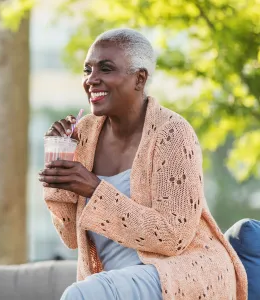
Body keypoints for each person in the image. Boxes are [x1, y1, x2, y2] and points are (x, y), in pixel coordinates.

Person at [38, 28, 247, 300]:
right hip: (115, 278)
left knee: (80, 296)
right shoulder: (85, 133)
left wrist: (94, 188)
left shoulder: (172, 133)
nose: (92, 79)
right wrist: (59, 174)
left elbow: (173, 237)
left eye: (106, 69)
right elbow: (70, 238)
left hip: (179, 273)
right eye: (87, 69)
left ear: (139, 78)